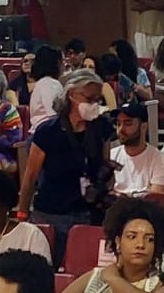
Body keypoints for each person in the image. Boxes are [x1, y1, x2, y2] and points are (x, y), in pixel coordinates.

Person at [44, 196, 164, 293]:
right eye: (132, 237)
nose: (140, 245)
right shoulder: (94, 278)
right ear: (118, 242)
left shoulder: (163, 285)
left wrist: (114, 279)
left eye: (149, 239)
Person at [16, 69, 114, 249]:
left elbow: (105, 165)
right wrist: (22, 214)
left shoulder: (102, 127)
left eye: (98, 100)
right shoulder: (48, 131)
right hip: (52, 212)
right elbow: (30, 176)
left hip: (89, 212)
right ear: (71, 95)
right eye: (89, 99)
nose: (94, 104)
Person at [111, 102, 164, 197]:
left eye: (128, 124)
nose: (121, 129)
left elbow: (156, 199)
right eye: (118, 124)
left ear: (143, 126)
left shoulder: (160, 160)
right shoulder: (111, 156)